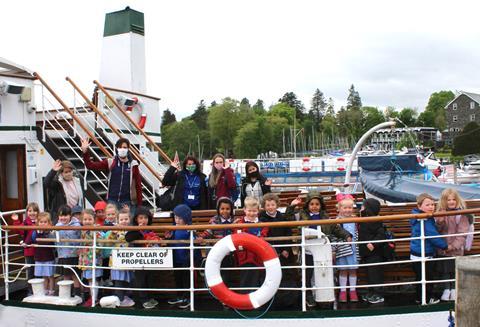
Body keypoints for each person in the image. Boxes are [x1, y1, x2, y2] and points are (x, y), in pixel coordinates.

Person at [290, 191, 351, 308]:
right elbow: (288, 218)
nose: (314, 206)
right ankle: (308, 295)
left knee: (323, 272)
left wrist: (346, 235)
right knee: (307, 273)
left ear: (321, 205)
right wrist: (292, 206)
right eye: (312, 204)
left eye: (317, 204)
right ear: (307, 205)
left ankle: (325, 296)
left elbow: (335, 228)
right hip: (307, 249)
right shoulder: (301, 215)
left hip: (322, 249)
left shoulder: (325, 216)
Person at [81, 137, 142, 211]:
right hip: (112, 201)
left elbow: (138, 186)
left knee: (127, 222)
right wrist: (85, 152)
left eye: (124, 147)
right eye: (120, 147)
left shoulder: (133, 165)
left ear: (128, 149)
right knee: (111, 222)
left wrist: (139, 206)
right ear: (117, 148)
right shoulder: (110, 162)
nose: (122, 149)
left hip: (127, 202)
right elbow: (90, 166)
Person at [410, 193, 448, 305]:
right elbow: (432, 235)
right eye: (427, 205)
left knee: (420, 277)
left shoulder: (420, 217)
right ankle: (427, 298)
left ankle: (419, 297)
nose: (431, 207)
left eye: (432, 204)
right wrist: (444, 246)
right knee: (427, 277)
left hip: (417, 252)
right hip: (424, 253)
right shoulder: (424, 220)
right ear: (419, 206)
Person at [435, 188, 470, 302]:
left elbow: (462, 233)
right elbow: (437, 231)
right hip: (443, 247)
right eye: (448, 200)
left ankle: (454, 289)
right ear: (443, 201)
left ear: (457, 200)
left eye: (453, 199)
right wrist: (439, 222)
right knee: (444, 269)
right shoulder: (440, 213)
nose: (451, 202)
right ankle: (446, 289)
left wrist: (453, 246)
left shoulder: (461, 214)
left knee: (454, 269)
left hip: (456, 248)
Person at [165, 205, 201, 309]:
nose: (177, 220)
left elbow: (195, 242)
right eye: (176, 217)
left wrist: (197, 242)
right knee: (178, 278)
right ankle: (180, 296)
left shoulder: (189, 229)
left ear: (186, 218)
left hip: (187, 259)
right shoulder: (173, 229)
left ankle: (188, 297)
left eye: (180, 218)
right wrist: (167, 238)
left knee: (187, 279)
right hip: (176, 258)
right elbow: (169, 242)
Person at [125, 206, 160, 309]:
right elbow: (128, 238)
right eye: (141, 218)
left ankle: (150, 297)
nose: (143, 220)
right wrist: (138, 229)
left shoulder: (150, 230)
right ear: (136, 219)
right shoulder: (134, 230)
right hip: (139, 260)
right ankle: (144, 299)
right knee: (141, 280)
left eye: (145, 218)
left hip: (150, 259)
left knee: (151, 278)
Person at [358, 198, 386, 304]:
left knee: (375, 274)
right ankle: (371, 291)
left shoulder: (376, 221)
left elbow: (381, 235)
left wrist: (373, 243)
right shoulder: (364, 219)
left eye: (363, 207)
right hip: (366, 253)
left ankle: (378, 293)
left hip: (375, 253)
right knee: (369, 273)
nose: (361, 209)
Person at [233, 197, 264, 291]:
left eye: (254, 211)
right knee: (245, 280)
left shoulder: (262, 224)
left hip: (257, 257)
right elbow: (236, 236)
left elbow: (263, 236)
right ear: (245, 210)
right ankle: (244, 302)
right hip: (244, 258)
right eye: (249, 211)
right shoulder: (239, 223)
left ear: (258, 210)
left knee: (256, 280)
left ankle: (255, 303)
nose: (251, 213)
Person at [107, 208, 135, 307]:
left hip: (127, 259)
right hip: (117, 260)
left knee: (126, 279)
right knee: (119, 280)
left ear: (129, 219)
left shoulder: (131, 230)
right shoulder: (115, 230)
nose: (124, 221)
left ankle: (125, 296)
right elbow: (109, 241)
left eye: (126, 219)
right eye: (121, 220)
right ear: (118, 220)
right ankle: (120, 298)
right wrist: (112, 234)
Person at [78, 209, 104, 307]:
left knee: (93, 279)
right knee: (89, 279)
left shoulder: (96, 230)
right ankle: (92, 297)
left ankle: (94, 298)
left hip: (93, 258)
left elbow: (100, 242)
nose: (87, 221)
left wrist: (96, 250)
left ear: (94, 220)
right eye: (85, 219)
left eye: (90, 219)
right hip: (86, 258)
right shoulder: (82, 230)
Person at [44, 159, 84, 224]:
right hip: (62, 216)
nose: (68, 174)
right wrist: (53, 171)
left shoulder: (78, 181)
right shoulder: (58, 183)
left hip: (75, 215)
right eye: (66, 172)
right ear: (61, 173)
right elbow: (46, 183)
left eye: (70, 171)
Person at [11, 202, 39, 293]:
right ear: (27, 212)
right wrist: (16, 221)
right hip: (29, 251)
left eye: (35, 211)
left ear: (38, 212)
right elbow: (18, 230)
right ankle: (30, 290)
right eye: (30, 211)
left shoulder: (41, 221)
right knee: (30, 271)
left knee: (39, 271)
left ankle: (40, 290)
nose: (32, 213)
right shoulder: (26, 223)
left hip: (40, 250)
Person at [259, 193, 294, 265]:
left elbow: (288, 233)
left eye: (273, 205)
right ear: (264, 207)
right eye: (268, 205)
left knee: (288, 270)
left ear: (277, 205)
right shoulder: (262, 219)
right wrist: (276, 251)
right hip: (271, 249)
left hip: (284, 248)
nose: (270, 207)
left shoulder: (282, 217)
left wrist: (286, 249)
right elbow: (266, 236)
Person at [55, 205, 82, 298]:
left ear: (70, 215)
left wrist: (80, 249)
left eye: (65, 215)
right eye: (61, 216)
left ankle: (78, 294)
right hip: (63, 254)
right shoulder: (57, 226)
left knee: (75, 275)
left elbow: (80, 238)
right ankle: (67, 294)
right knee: (66, 275)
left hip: (74, 254)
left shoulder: (77, 225)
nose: (63, 218)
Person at [27, 212, 56, 295]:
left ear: (49, 223)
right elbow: (30, 240)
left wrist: (37, 244)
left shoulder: (50, 232)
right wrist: (25, 244)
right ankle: (45, 290)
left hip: (49, 257)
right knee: (44, 276)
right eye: (41, 222)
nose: (43, 224)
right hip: (39, 257)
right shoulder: (35, 232)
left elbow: (50, 243)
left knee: (50, 276)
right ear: (38, 223)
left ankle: (51, 291)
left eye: (45, 222)